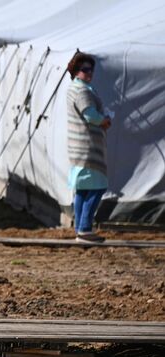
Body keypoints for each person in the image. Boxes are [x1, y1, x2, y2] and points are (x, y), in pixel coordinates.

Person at [66, 52, 111, 243]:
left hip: (77, 147)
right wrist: (105, 121)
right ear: (77, 71)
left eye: (91, 69)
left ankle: (79, 228)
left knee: (82, 189)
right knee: (98, 187)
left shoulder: (73, 88)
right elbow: (90, 115)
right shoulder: (82, 90)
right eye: (85, 69)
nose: (89, 73)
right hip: (88, 147)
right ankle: (85, 228)